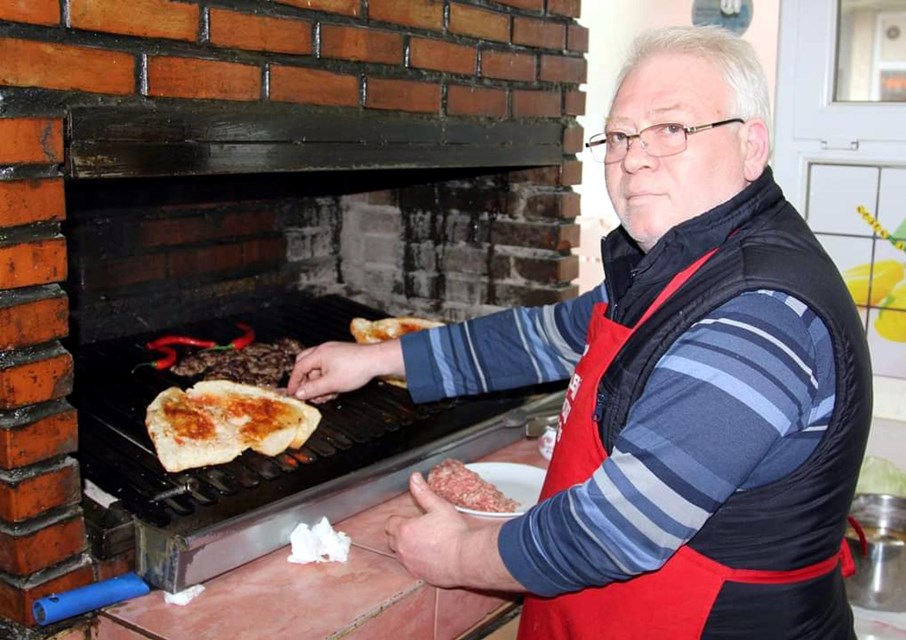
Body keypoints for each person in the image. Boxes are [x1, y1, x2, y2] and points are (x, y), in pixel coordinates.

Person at [288, 25, 872, 640]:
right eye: (619, 136)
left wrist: (459, 556)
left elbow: (615, 529)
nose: (634, 156)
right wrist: (376, 359)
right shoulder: (684, 265)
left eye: (671, 129)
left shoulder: (757, 312)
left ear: (752, 147)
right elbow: (542, 338)